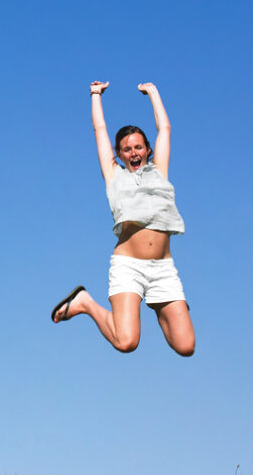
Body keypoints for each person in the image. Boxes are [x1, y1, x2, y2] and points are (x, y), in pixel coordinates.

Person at [49, 82, 196, 357]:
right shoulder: (114, 175)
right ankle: (86, 303)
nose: (134, 153)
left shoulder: (159, 171)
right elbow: (100, 130)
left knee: (185, 346)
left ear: (148, 150)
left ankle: (158, 305)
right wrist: (95, 96)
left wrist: (153, 93)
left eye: (139, 147)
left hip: (163, 269)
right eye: (127, 149)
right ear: (119, 154)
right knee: (126, 342)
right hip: (129, 266)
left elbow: (165, 129)